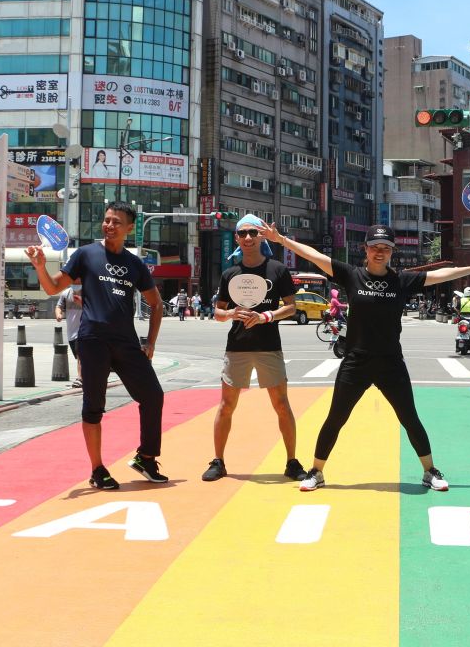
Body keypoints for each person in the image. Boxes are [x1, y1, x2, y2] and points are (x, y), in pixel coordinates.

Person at [262, 221, 470, 492]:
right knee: (335, 418)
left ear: (391, 252)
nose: (379, 252)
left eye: (385, 248)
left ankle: (429, 471)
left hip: (390, 363)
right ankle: (316, 471)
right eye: (375, 247)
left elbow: (440, 275)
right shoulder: (351, 275)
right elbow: (315, 256)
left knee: (410, 418)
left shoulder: (402, 280)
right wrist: (282, 240)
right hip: (356, 362)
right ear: (365, 249)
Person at [26, 201, 169, 490]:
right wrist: (41, 266)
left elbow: (156, 304)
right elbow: (53, 287)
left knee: (153, 396)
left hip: (127, 342)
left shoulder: (135, 264)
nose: (109, 225)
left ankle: (146, 457)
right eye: (107, 220)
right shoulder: (86, 254)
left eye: (116, 222)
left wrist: (151, 342)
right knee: (93, 407)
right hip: (92, 340)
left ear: (130, 228)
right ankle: (97, 469)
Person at [202, 215, 306, 483]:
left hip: (269, 346)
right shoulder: (230, 274)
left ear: (261, 236)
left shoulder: (278, 270)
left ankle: (292, 461)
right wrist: (231, 313)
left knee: (281, 404)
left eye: (252, 232)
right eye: (242, 233)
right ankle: (218, 461)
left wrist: (265, 316)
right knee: (226, 405)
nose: (248, 238)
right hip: (237, 347)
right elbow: (218, 312)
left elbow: (291, 307)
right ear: (237, 238)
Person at [55, 277, 83, 388]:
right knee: (80, 356)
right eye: (74, 279)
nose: (76, 281)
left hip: (85, 329)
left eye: (79, 279)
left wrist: (82, 303)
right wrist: (58, 314)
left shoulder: (89, 292)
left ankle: (80, 378)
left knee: (81, 355)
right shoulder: (65, 293)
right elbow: (59, 306)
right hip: (72, 332)